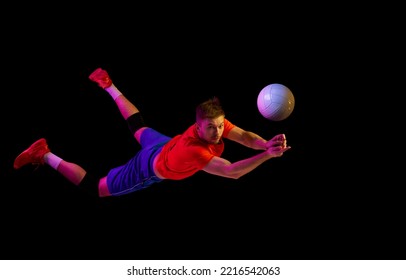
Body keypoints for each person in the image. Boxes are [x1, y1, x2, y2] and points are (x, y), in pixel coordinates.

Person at [13, 68, 291, 198]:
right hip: (148, 168)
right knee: (94, 188)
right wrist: (267, 156)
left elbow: (243, 136)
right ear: (197, 127)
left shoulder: (213, 123)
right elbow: (232, 172)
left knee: (139, 126)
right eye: (211, 127)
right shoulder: (195, 149)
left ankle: (108, 85)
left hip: (165, 146)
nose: (218, 131)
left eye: (220, 125)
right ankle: (45, 154)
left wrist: (265, 143)